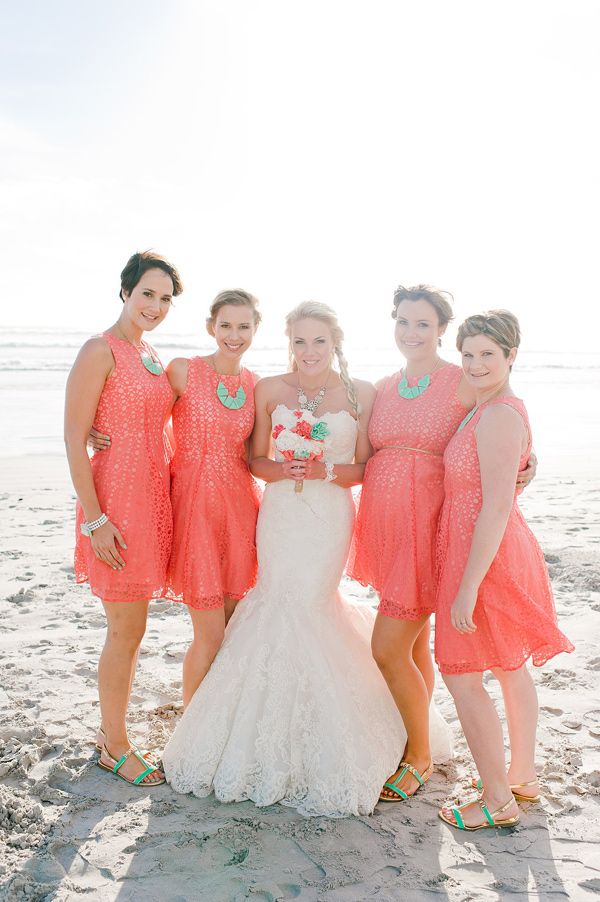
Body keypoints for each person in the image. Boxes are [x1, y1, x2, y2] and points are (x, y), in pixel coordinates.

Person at [162, 301, 452, 817]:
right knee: (275, 602)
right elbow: (253, 459)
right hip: (280, 515)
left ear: (335, 343)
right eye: (300, 341)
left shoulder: (363, 393)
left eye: (319, 341)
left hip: (327, 517)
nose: (309, 351)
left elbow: (365, 465)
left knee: (313, 605)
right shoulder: (268, 389)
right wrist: (282, 467)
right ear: (288, 342)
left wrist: (323, 471)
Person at [348, 285, 535, 803]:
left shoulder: (463, 380)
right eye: (403, 322)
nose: (412, 333)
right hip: (387, 532)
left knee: (388, 646)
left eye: (423, 324)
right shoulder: (383, 387)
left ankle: (420, 757)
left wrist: (528, 465)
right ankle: (420, 741)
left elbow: (507, 422)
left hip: (431, 533)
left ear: (441, 331)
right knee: (411, 645)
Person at [435, 310, 573, 830]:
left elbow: (494, 505)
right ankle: (520, 776)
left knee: (461, 672)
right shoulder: (489, 406)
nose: (474, 364)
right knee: (508, 665)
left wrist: (467, 586)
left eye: (487, 354)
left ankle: (497, 798)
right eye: (467, 354)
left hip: (483, 552)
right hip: (488, 545)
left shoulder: (497, 414)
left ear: (511, 355)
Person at [64, 250, 183, 786]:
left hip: (152, 498)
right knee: (125, 628)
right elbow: (72, 436)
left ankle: (113, 735)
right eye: (147, 294)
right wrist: (95, 520)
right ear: (125, 292)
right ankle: (114, 745)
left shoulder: (151, 355)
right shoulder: (101, 349)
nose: (154, 306)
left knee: (134, 629)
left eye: (164, 298)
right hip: (114, 502)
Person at [165, 290, 262, 707]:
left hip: (240, 508)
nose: (234, 335)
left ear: (255, 330)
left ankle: (216, 719)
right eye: (226, 325)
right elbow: (146, 422)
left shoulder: (256, 385)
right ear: (211, 327)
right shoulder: (183, 371)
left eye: (244, 326)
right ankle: (191, 724)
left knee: (232, 624)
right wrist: (99, 432)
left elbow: (258, 457)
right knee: (209, 634)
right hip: (195, 507)